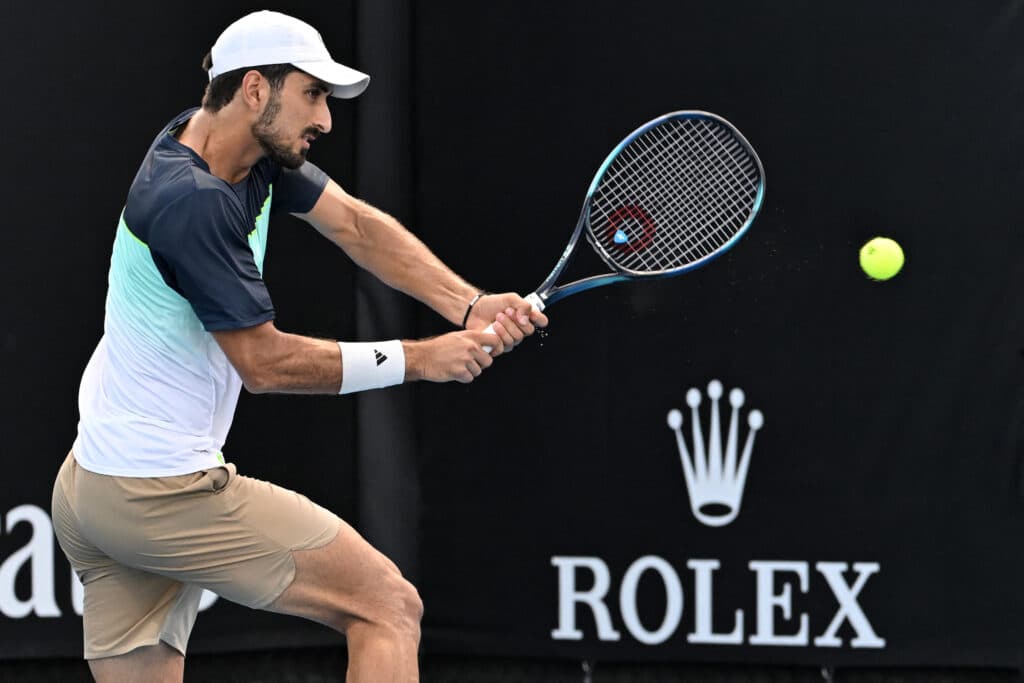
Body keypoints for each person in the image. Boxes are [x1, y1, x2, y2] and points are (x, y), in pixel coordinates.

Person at [50, 10, 547, 683]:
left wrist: (466, 302)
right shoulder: (189, 202)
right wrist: (423, 358)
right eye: (313, 94)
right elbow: (264, 364)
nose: (327, 119)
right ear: (256, 88)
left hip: (95, 488)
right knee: (387, 606)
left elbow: (355, 225)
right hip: (156, 492)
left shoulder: (232, 147)